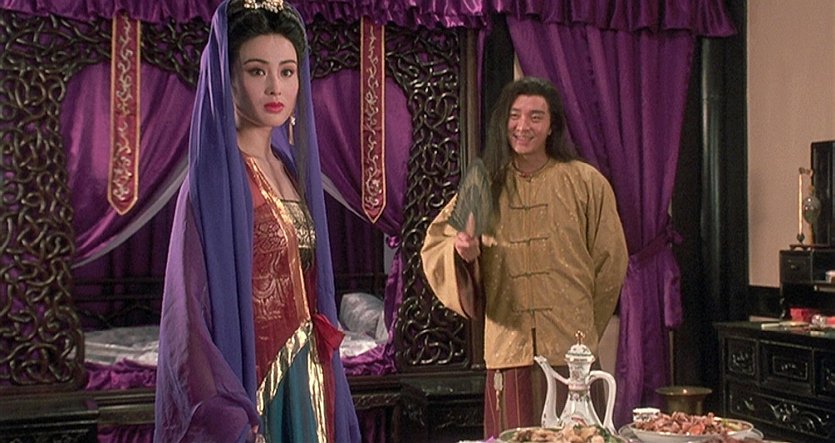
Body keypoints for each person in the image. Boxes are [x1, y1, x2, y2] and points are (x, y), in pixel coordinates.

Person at [154, 0, 361, 441]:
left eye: (287, 71)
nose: (275, 87)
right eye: (256, 71)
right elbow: (186, 313)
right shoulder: (214, 182)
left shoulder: (290, 170)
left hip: (312, 376)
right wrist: (228, 412)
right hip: (257, 386)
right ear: (226, 78)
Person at [421, 76, 628, 438]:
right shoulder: (483, 184)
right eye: (514, 116)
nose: (523, 126)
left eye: (536, 116)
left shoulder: (586, 183)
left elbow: (611, 263)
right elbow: (438, 245)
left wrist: (583, 329)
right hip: (509, 352)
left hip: (572, 354)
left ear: (552, 126)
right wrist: (463, 254)